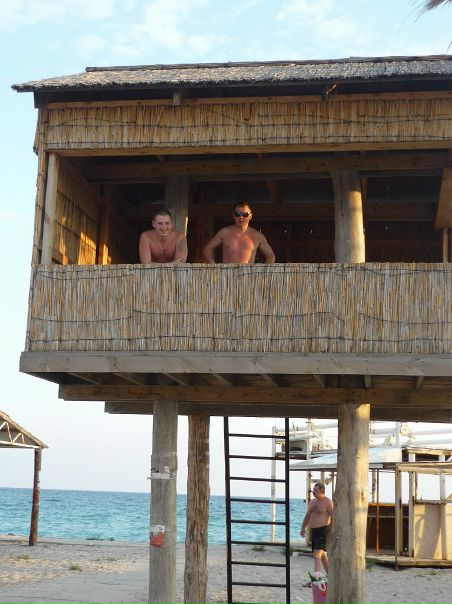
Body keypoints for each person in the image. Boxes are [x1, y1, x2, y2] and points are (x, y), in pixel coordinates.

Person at [203, 202, 275, 264]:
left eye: (245, 214)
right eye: (237, 214)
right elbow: (207, 249)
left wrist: (264, 271)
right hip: (227, 274)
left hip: (248, 274)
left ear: (250, 216)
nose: (241, 217)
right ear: (233, 216)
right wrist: (213, 265)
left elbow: (271, 256)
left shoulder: (258, 236)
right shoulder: (224, 232)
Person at [300, 482, 334, 576]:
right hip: (314, 530)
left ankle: (316, 578)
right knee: (323, 555)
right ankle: (331, 576)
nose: (313, 491)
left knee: (317, 555)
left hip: (324, 530)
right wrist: (303, 528)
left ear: (321, 491)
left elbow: (334, 516)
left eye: (315, 490)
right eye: (313, 489)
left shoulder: (328, 502)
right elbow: (308, 515)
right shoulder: (313, 502)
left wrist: (334, 532)